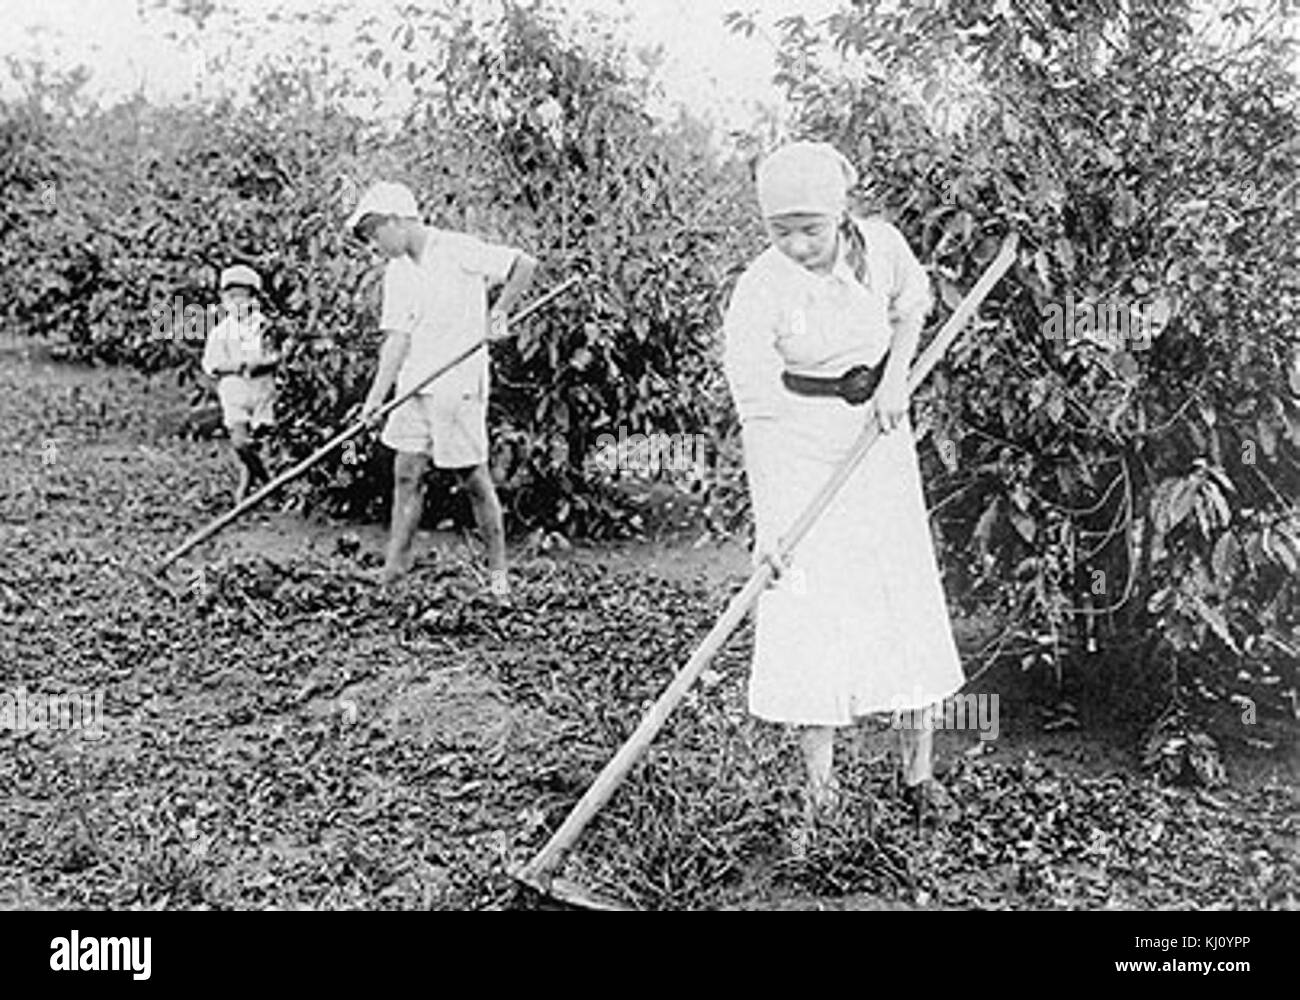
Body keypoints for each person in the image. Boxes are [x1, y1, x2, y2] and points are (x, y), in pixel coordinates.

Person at [721, 141, 965, 844]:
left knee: (901, 593)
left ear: (842, 212)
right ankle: (820, 795)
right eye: (779, 230)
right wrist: (772, 526)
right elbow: (757, 412)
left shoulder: (883, 248)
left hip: (879, 437)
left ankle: (918, 775)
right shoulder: (761, 288)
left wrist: (895, 379)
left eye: (811, 227)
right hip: (799, 444)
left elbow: (912, 304)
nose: (796, 245)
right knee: (808, 604)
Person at [345, 181, 537, 597]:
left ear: (396, 221)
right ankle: (394, 569)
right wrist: (375, 399)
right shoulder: (397, 272)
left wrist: (499, 313)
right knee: (406, 473)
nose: (375, 244)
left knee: (473, 478)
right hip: (413, 385)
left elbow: (524, 264)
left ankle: (499, 577)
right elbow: (396, 339)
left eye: (375, 233)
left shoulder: (454, 248)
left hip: (457, 382)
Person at [201, 264, 280, 505]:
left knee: (259, 441)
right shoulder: (221, 331)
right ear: (223, 301)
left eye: (243, 296)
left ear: (254, 299)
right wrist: (236, 366)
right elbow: (211, 364)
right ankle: (268, 484)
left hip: (262, 390)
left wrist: (262, 363)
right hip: (235, 392)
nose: (237, 303)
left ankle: (244, 492)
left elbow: (277, 355)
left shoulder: (264, 327)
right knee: (241, 443)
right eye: (231, 297)